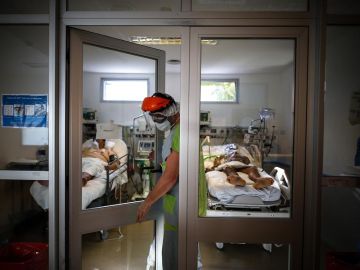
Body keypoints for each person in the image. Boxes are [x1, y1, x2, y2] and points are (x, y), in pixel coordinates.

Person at [136, 92, 180, 270]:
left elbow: (170, 177)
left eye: (158, 116)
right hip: (173, 199)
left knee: (177, 250)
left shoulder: (181, 133)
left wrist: (147, 202)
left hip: (181, 199)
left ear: (172, 110)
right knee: (170, 245)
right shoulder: (173, 131)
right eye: (153, 116)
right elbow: (170, 161)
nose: (156, 120)